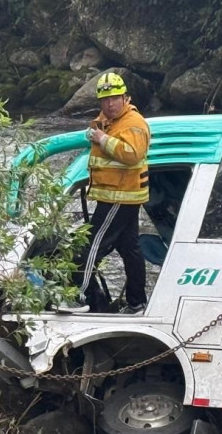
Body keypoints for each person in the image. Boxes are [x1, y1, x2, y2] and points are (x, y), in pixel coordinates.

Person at [57, 71, 151, 314]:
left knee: (92, 245)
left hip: (118, 197)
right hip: (116, 195)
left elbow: (132, 155)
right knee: (130, 249)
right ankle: (137, 302)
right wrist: (96, 131)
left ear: (125, 98)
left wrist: (102, 138)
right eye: (105, 100)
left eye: (114, 99)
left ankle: (77, 297)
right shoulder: (110, 120)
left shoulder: (134, 123)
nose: (109, 104)